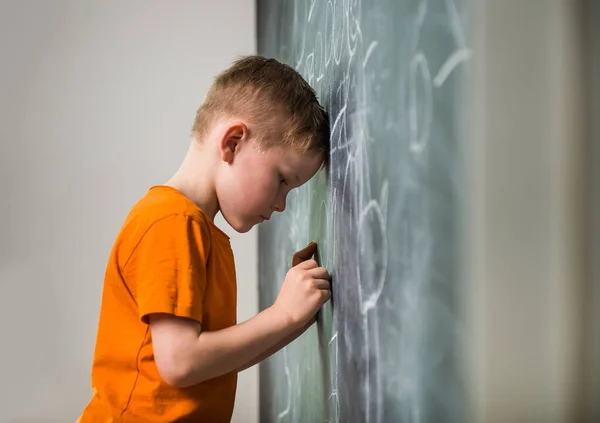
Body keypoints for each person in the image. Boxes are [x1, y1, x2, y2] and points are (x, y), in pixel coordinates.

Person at [77, 55, 332, 422]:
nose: (281, 205)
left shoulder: (198, 230)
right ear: (232, 143)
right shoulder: (171, 221)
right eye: (281, 180)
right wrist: (282, 314)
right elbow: (181, 363)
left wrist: (292, 319)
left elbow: (214, 363)